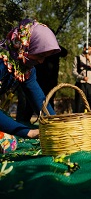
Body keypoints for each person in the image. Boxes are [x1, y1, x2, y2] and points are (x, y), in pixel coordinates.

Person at [0, 19, 61, 152]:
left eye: (45, 56)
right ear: (24, 45)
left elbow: (38, 99)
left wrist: (55, 124)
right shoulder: (1, 63)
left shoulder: (25, 68)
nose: (41, 61)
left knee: (8, 143)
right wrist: (28, 132)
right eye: (39, 55)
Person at [16, 44, 68, 123]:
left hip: (50, 82)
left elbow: (64, 52)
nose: (41, 60)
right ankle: (24, 122)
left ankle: (50, 122)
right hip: (38, 79)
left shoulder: (56, 48)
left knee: (48, 101)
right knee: (30, 103)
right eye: (41, 56)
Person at [72, 44, 91, 113]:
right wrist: (82, 77)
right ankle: (79, 120)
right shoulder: (77, 58)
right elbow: (74, 72)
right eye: (89, 49)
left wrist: (90, 60)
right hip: (81, 83)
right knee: (79, 103)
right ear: (84, 49)